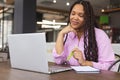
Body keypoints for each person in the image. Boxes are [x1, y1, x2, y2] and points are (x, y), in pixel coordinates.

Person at [52, 0, 115, 70]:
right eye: (73, 14)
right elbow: (58, 61)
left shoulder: (100, 35)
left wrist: (85, 63)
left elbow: (109, 66)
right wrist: (60, 34)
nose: (75, 18)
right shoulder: (67, 35)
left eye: (80, 15)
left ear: (87, 18)